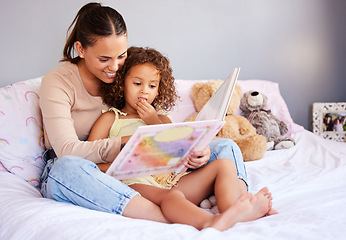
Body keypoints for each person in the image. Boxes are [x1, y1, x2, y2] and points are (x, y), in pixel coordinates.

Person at [87, 46, 276, 230]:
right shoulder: (111, 118)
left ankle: (234, 211)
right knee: (172, 196)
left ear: (159, 90)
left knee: (224, 164)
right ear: (122, 83)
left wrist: (190, 154)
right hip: (137, 182)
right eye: (137, 83)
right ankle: (213, 222)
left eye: (152, 86)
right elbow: (88, 162)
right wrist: (121, 165)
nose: (145, 91)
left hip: (173, 180)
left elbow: (177, 152)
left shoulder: (162, 119)